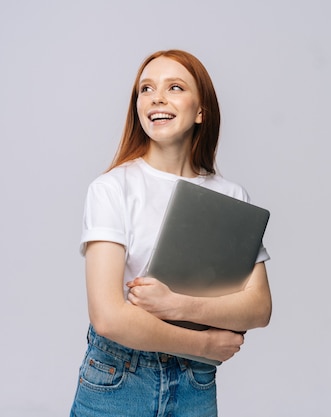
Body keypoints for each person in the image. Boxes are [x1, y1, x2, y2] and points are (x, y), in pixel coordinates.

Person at [70, 50, 272, 417]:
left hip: (195, 383)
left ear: (200, 111)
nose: (156, 97)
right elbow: (108, 317)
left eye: (174, 87)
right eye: (145, 89)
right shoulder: (112, 188)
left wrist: (177, 305)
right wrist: (205, 342)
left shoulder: (230, 196)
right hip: (120, 378)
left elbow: (258, 308)